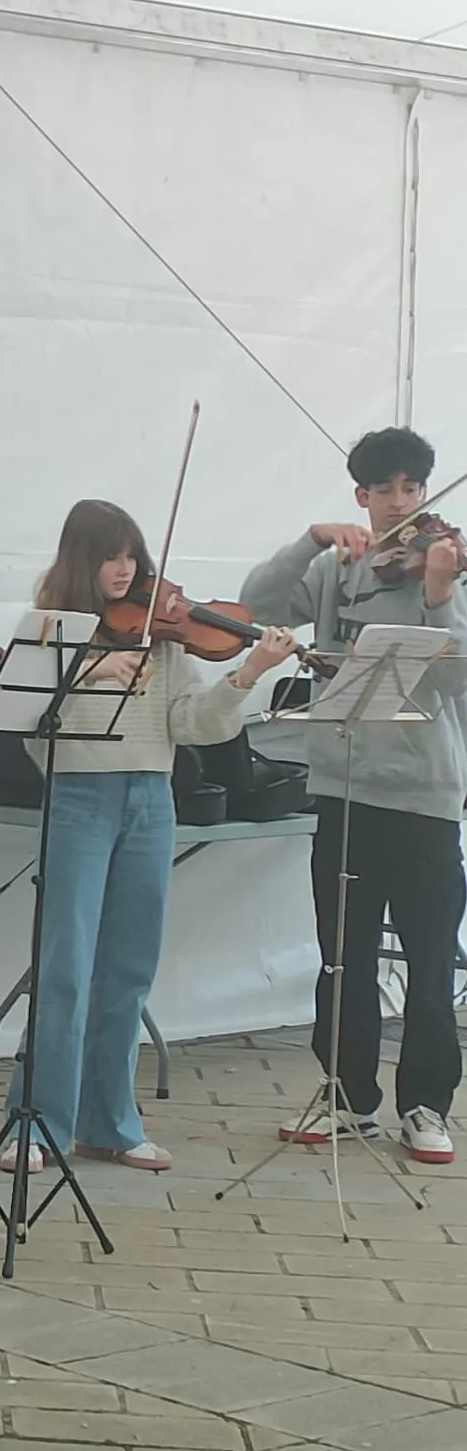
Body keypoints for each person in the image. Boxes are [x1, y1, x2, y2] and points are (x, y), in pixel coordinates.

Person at [5, 499, 296, 1176]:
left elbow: (192, 723)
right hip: (78, 798)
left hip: (150, 799)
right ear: (83, 559)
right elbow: (27, 733)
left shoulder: (162, 634)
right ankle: (39, 1122)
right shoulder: (51, 630)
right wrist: (85, 678)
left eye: (133, 555)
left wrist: (247, 675)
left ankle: (108, 1123)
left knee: (129, 968)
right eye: (111, 556)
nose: (126, 569)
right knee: (66, 969)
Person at [240, 426, 467, 1165]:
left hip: (425, 794)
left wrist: (437, 596)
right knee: (344, 957)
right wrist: (309, 541)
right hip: (342, 789)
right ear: (362, 498)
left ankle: (427, 1104)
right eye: (385, 491)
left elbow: (451, 680)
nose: (401, 504)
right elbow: (255, 604)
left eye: (413, 488)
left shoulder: (451, 572)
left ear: (425, 492)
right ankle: (347, 1095)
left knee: (431, 962)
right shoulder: (342, 570)